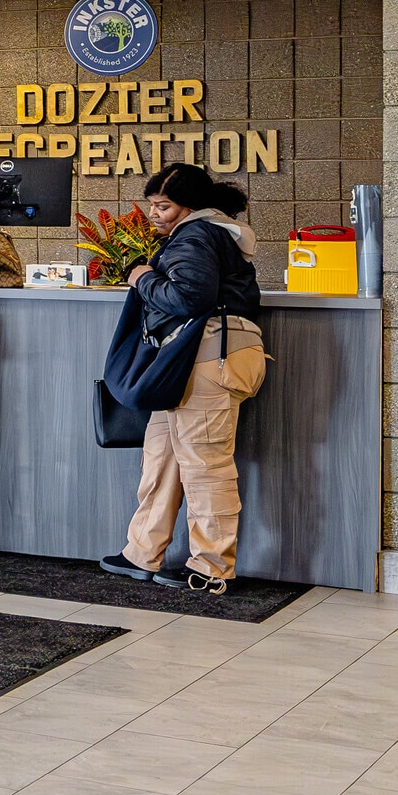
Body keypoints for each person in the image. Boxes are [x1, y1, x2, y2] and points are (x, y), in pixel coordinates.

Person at [101, 162, 269, 595]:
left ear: (189, 206)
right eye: (153, 205)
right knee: (163, 457)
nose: (154, 214)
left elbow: (189, 296)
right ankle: (142, 551)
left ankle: (212, 567)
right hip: (196, 360)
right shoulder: (207, 232)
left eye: (164, 206)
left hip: (208, 358)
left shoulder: (197, 234)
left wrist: (142, 277)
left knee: (204, 464)